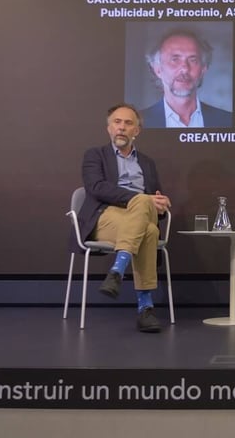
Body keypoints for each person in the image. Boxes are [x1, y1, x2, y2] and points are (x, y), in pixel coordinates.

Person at [76, 104, 172, 332]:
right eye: (117, 122)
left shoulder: (147, 163)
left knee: (148, 229)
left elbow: (154, 195)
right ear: (109, 128)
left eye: (128, 123)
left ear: (136, 131)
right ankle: (144, 307)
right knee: (144, 216)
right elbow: (96, 187)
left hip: (137, 221)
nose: (122, 128)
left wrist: (160, 202)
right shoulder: (95, 155)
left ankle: (117, 272)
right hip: (105, 216)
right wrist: (142, 199)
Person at [141, 30, 232, 128]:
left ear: (203, 70)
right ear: (158, 69)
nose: (185, 68)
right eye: (175, 59)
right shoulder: (138, 122)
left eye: (193, 60)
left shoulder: (228, 121)